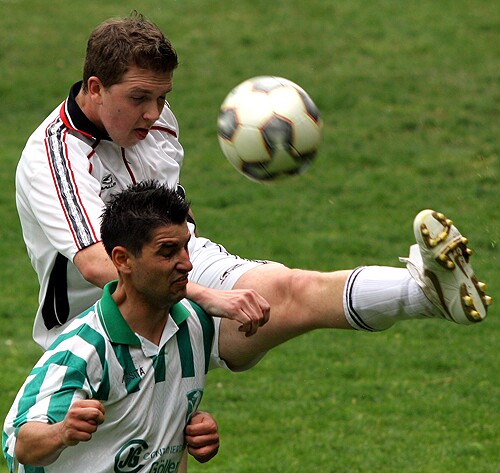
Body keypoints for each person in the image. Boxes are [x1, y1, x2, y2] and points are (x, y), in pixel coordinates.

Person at [15, 13, 491, 374]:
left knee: (289, 289)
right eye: (139, 98)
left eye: (162, 97)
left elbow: (174, 210)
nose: (154, 113)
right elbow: (99, 263)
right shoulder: (55, 155)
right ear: (96, 88)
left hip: (175, 271)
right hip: (100, 331)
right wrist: (207, 296)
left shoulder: (156, 123)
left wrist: (197, 270)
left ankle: (424, 291)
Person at [3, 181, 222, 473]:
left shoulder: (194, 325)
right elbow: (22, 445)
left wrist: (198, 429)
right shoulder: (84, 350)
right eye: (168, 252)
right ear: (122, 259)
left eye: (185, 247)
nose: (187, 264)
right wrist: (61, 431)